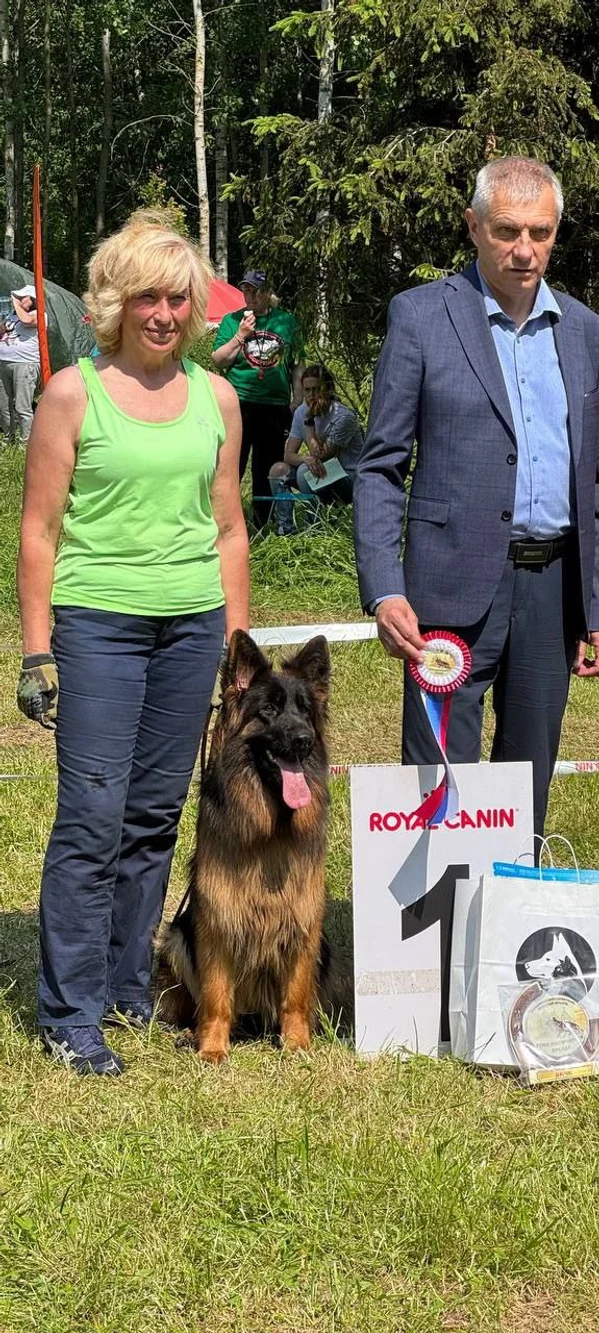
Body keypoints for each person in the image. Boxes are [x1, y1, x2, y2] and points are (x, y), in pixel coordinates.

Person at [16, 210, 249, 1076]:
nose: (162, 311)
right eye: (147, 295)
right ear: (115, 301)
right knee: (92, 816)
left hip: (190, 627)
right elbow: (38, 532)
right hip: (96, 625)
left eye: (177, 296)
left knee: (153, 816)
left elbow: (228, 530)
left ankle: (121, 981)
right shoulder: (72, 393)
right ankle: (68, 1012)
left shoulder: (216, 397)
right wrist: (38, 649)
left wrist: (236, 645)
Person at [353, 156, 599, 840]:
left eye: (541, 231)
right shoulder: (420, 318)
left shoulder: (586, 333)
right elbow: (380, 465)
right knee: (438, 777)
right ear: (472, 227)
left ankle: (503, 935)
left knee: (527, 782)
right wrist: (385, 589)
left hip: (553, 589)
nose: (524, 250)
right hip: (447, 585)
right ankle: (441, 937)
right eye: (506, 231)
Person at [211, 269, 303, 528]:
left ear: (267, 293)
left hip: (275, 406)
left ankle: (261, 524)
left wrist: (297, 398)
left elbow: (297, 364)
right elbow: (218, 360)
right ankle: (224, 522)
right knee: (232, 465)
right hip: (239, 403)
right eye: (246, 289)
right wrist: (240, 335)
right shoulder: (233, 320)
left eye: (255, 290)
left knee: (266, 468)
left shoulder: (287, 322)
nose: (249, 295)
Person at [268, 364, 364, 534]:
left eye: (316, 389)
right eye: (307, 390)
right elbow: (288, 455)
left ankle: (315, 528)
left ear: (328, 389)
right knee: (278, 470)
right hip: (321, 472)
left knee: (306, 471)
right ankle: (286, 529)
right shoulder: (301, 412)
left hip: (349, 476)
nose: (311, 396)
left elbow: (321, 455)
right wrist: (304, 458)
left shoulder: (343, 417)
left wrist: (309, 422)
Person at [0, 283, 45, 441]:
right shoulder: (12, 316)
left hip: (25, 364)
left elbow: (26, 321)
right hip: (4, 363)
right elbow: (3, 331)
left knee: (22, 406)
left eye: (21, 297)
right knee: (4, 406)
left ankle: (26, 443)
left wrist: (14, 302)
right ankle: (8, 438)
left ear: (32, 299)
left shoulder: (40, 315)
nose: (18, 300)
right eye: (17, 297)